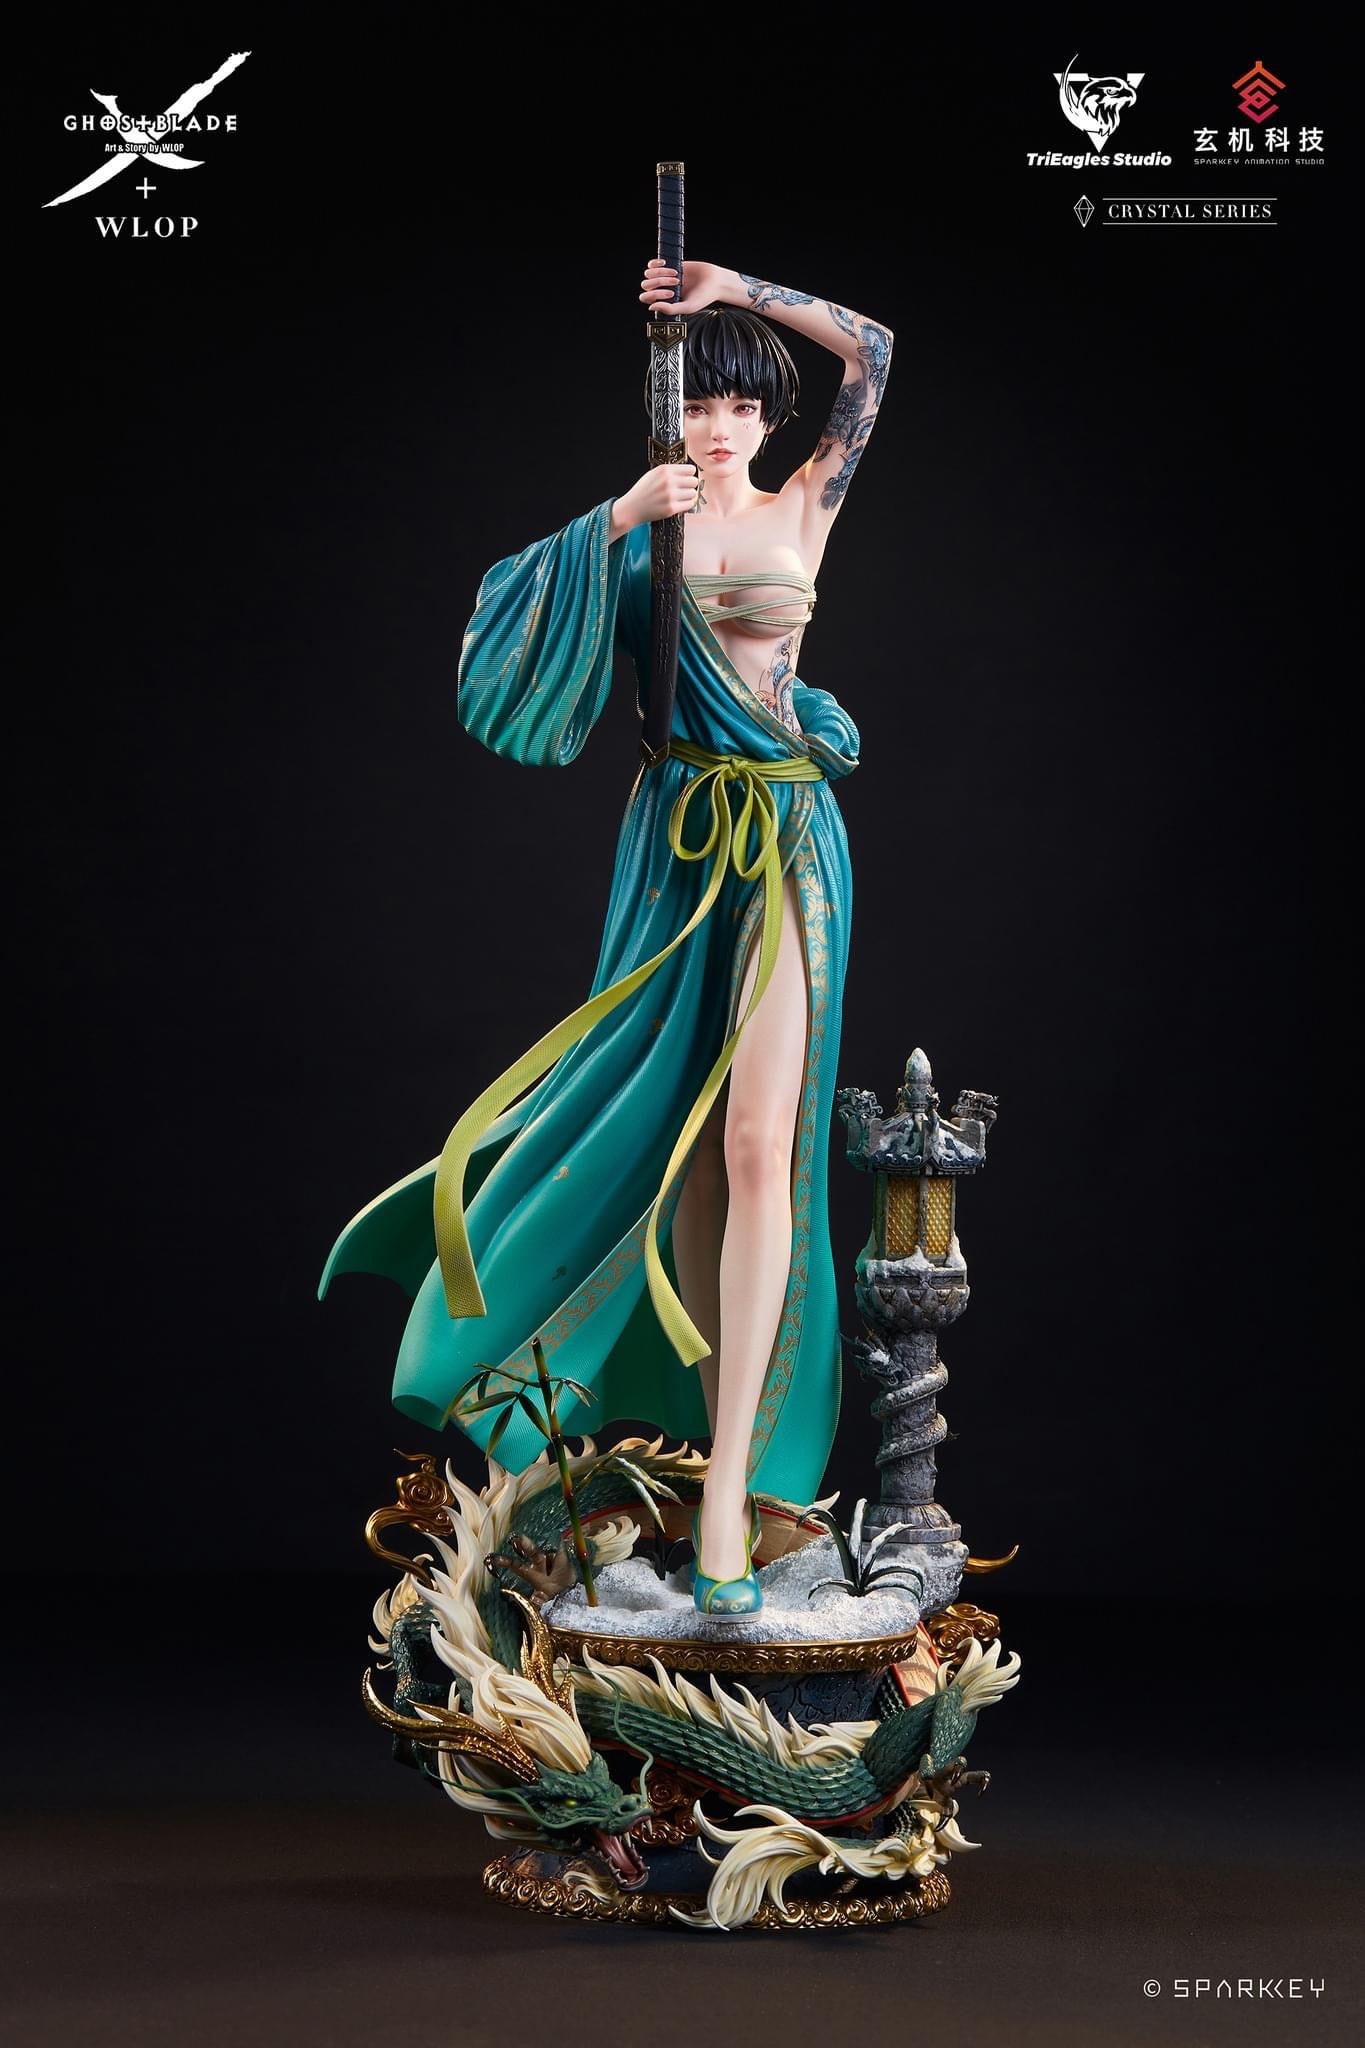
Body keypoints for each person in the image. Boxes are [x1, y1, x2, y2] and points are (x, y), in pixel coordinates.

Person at [320, 255, 893, 1618]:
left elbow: (873, 349)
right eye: (697, 403)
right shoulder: (639, 536)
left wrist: (728, 284)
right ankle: (626, 1436)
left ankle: (727, 1499)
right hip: (674, 847)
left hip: (787, 844)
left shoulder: (805, 506)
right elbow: (507, 647)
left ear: (770, 421)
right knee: (670, 1151)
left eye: (742, 407)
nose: (720, 427)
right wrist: (621, 515)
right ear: (666, 412)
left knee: (760, 1147)